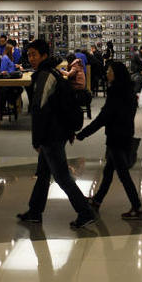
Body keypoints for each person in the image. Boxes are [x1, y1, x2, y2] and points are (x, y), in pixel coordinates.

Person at [16, 39, 97, 229]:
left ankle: (85, 212)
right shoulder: (52, 72)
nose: (31, 58)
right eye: (29, 54)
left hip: (51, 134)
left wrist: (36, 139)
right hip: (54, 131)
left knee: (61, 176)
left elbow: (39, 109)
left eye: (34, 54)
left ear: (44, 55)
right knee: (43, 174)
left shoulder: (45, 75)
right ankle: (35, 211)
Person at [76, 61, 142, 220]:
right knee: (108, 172)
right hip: (124, 134)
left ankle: (137, 207)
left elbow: (103, 118)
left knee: (123, 175)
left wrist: (82, 134)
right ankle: (97, 200)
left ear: (117, 74)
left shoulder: (116, 92)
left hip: (117, 138)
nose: (107, 73)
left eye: (110, 71)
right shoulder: (128, 91)